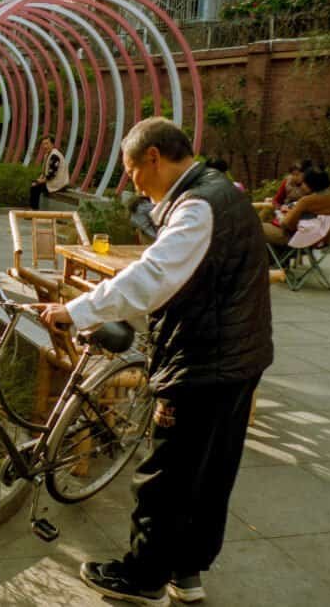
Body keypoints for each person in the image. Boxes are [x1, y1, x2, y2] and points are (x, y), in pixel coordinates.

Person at [37, 119, 273, 607]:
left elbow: (151, 278)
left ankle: (143, 577)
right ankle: (186, 574)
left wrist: (74, 310)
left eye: (132, 171)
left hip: (203, 362)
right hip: (239, 359)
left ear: (153, 158)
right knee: (208, 475)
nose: (132, 184)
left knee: (166, 475)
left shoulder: (198, 207)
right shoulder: (222, 192)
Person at [263, 167, 330, 247]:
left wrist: (280, 215)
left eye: (304, 183)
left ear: (312, 184)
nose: (302, 186)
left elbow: (287, 224)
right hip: (322, 238)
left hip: (297, 238)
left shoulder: (306, 201)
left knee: (256, 228)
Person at [29, 135, 69, 210]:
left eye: (47, 143)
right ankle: (34, 209)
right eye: (43, 144)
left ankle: (34, 210)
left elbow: (51, 175)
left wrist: (38, 182)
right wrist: (38, 180)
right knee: (34, 184)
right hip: (52, 181)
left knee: (35, 188)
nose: (45, 146)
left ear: (52, 144)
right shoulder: (48, 154)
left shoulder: (55, 155)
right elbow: (44, 172)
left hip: (57, 183)